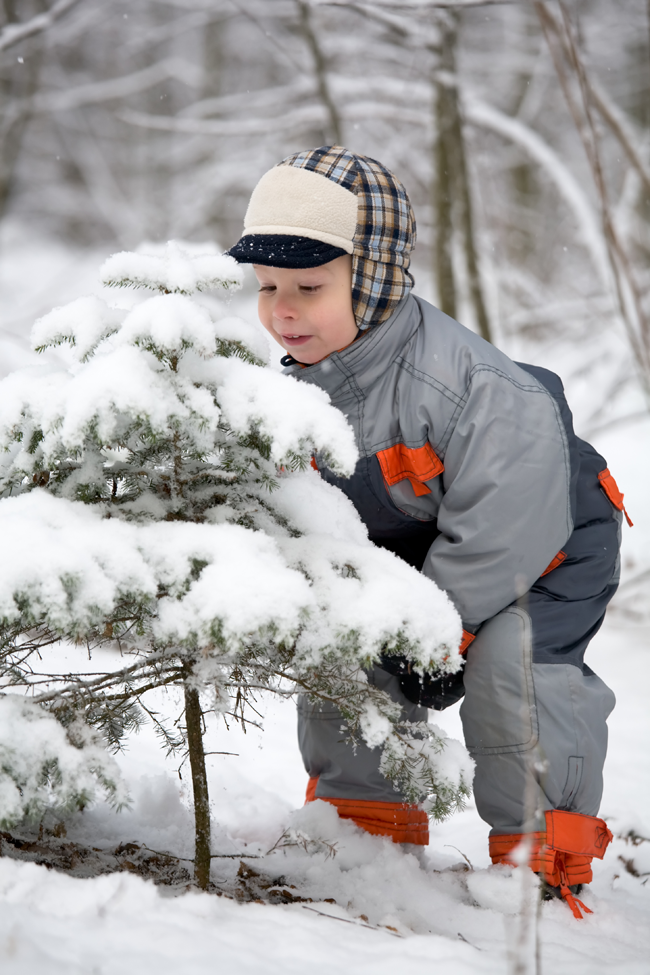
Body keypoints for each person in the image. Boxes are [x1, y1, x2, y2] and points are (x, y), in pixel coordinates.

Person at [227, 146, 628, 916]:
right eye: (268, 286)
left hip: (543, 545)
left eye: (309, 287)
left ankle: (544, 860)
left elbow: (506, 527)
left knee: (515, 673)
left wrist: (440, 629)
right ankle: (363, 830)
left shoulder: (469, 387)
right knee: (351, 650)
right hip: (419, 548)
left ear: (373, 276)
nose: (282, 308)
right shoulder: (297, 387)